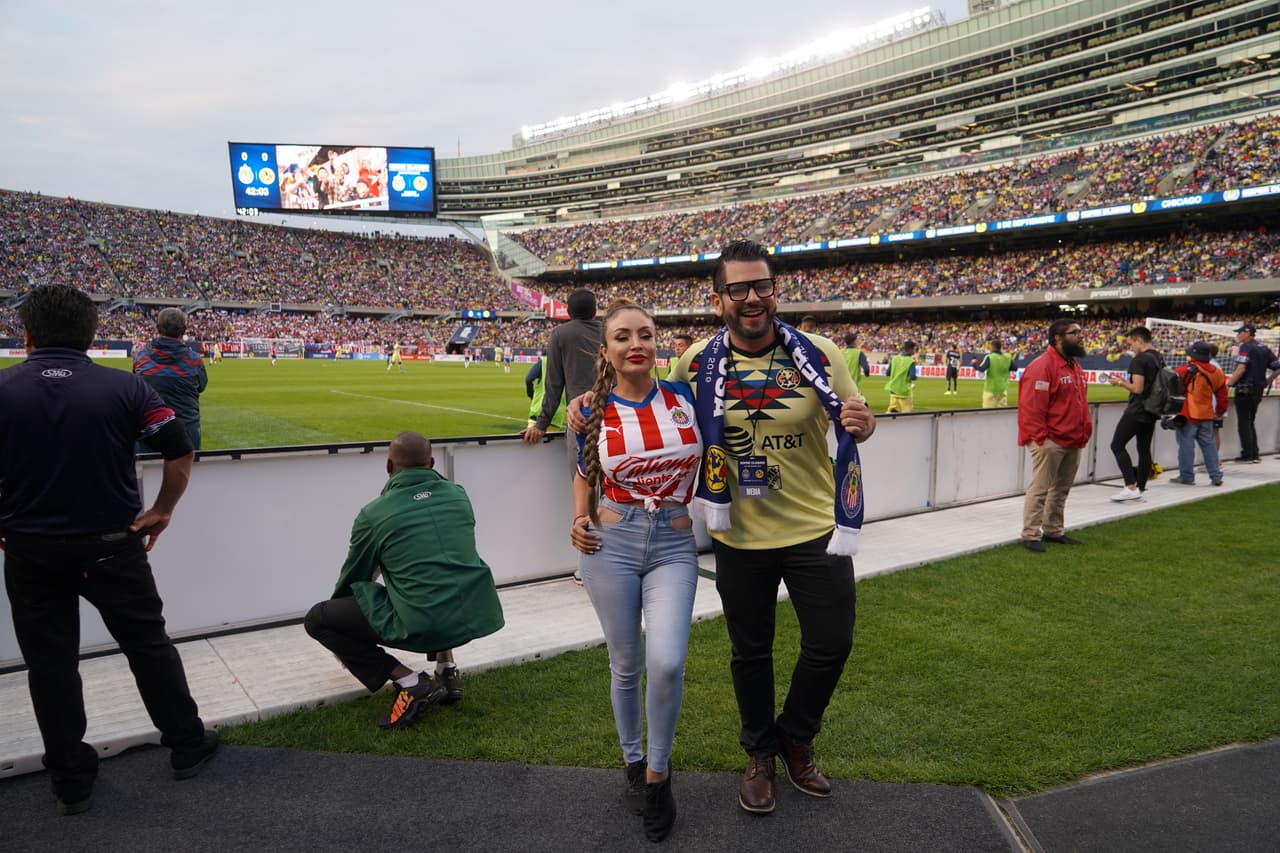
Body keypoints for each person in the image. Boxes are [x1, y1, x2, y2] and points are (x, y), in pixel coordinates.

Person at [570, 241, 876, 815]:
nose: (752, 297)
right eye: (738, 289)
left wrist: (867, 420)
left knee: (832, 643)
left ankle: (797, 736)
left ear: (774, 290)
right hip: (738, 534)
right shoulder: (695, 361)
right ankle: (760, 753)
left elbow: (855, 415)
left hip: (815, 527)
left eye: (761, 285)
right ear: (719, 300)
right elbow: (645, 392)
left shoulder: (822, 352)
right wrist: (588, 400)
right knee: (750, 652)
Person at [1, 285, 218, 816]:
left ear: (26, 333)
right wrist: (163, 509)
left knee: (49, 664)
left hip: (30, 549)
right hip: (111, 546)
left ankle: (70, 780)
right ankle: (186, 745)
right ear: (92, 335)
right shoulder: (127, 388)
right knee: (147, 645)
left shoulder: (4, 388)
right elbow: (179, 448)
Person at [568, 300, 702, 843]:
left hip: (674, 541)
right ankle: (632, 763)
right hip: (611, 543)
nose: (635, 343)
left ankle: (659, 774)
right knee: (625, 664)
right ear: (607, 351)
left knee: (666, 662)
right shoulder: (592, 409)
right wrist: (579, 516)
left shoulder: (683, 398)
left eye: (645, 334)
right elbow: (584, 470)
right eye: (622, 336)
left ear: (656, 343)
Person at [304, 431, 504, 729]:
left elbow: (355, 577)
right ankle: (447, 670)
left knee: (318, 619)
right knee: (435, 578)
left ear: (388, 466)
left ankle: (411, 683)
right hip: (473, 616)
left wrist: (343, 632)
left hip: (426, 623)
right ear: (432, 462)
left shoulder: (374, 514)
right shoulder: (458, 494)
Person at [1017, 318, 1092, 552]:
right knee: (1040, 489)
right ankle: (1030, 534)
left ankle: (1054, 530)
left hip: (1072, 438)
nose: (1080, 336)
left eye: (1080, 332)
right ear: (1058, 338)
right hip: (1050, 440)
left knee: (1061, 489)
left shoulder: (1073, 365)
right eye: (1074, 332)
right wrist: (1041, 438)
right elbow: (1032, 406)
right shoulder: (1043, 365)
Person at [133, 307, 208, 451]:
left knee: (145, 472)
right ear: (184, 330)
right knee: (186, 473)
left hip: (148, 431)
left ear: (158, 328)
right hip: (186, 431)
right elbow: (201, 386)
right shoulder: (194, 361)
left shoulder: (141, 356)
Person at [1106, 327, 1161, 502]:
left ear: (1138, 340)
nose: (1131, 348)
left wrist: (1120, 383)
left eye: (1131, 343)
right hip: (1152, 409)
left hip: (1137, 410)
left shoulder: (1140, 360)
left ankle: (1130, 486)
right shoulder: (1158, 357)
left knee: (1117, 444)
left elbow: (1138, 388)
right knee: (1144, 449)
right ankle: (1140, 489)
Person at [1171, 341, 1228, 486]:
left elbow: (1171, 388)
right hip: (1207, 413)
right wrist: (1220, 411)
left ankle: (1187, 476)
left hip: (1187, 413)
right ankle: (1216, 476)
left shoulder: (1184, 370)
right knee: (1209, 445)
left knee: (1186, 446)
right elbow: (1222, 395)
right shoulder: (1217, 372)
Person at [1224, 323, 1268, 463]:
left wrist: (1228, 384)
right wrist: (1267, 381)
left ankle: (1247, 454)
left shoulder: (1246, 347)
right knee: (1250, 421)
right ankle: (1254, 453)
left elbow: (1241, 368)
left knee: (1244, 422)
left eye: (1240, 332)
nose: (1237, 335)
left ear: (1247, 333)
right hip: (1258, 389)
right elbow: (1277, 367)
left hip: (1245, 389)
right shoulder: (1263, 347)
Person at [524, 355, 567, 433]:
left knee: (531, 442)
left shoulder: (544, 362)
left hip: (539, 410)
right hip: (557, 414)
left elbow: (528, 379)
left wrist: (531, 395)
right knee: (549, 443)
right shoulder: (568, 363)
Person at [974, 338, 1013, 408]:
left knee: (988, 415)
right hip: (1003, 390)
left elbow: (982, 369)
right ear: (1000, 347)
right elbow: (1014, 368)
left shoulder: (989, 357)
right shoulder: (1007, 357)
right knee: (1001, 415)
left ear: (992, 347)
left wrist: (973, 364)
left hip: (990, 390)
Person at [885, 340, 918, 413]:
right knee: (906, 415)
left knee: (891, 413)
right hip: (904, 392)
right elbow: (912, 376)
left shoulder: (894, 358)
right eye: (914, 349)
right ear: (910, 349)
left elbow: (887, 373)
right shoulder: (910, 361)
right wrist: (916, 377)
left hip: (893, 390)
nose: (914, 351)